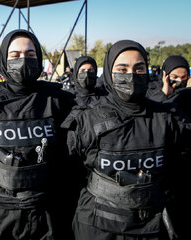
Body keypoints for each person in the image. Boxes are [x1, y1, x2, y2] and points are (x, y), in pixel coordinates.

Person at [62, 40, 191, 240]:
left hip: (153, 227)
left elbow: (178, 173)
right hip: (97, 228)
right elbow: (70, 174)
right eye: (122, 68)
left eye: (139, 69)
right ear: (108, 72)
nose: (131, 75)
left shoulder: (168, 119)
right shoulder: (87, 120)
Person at [0, 29, 79, 240]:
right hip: (1, 211)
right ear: (3, 59)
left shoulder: (59, 100)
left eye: (30, 55)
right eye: (15, 55)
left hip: (49, 211)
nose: (23, 61)